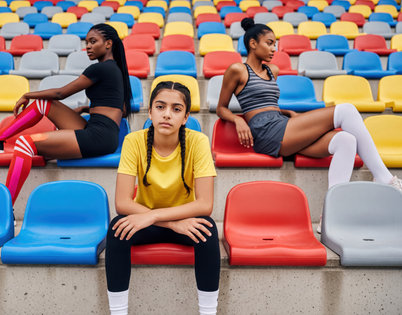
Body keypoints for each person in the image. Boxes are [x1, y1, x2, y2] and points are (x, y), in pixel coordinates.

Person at [216, 18, 402, 232]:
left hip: (281, 124)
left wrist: (284, 112)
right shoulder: (237, 69)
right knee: (347, 110)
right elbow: (222, 107)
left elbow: (266, 102)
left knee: (346, 140)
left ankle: (331, 216)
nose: (273, 48)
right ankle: (383, 177)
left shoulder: (272, 71)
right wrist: (237, 119)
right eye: (269, 43)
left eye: (275, 44)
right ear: (253, 44)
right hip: (265, 132)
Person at [0, 23, 132, 205]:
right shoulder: (116, 70)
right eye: (87, 42)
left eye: (93, 42)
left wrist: (28, 94)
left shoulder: (100, 68)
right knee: (43, 103)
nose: (88, 47)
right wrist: (84, 109)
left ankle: (5, 207)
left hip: (98, 136)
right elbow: (120, 110)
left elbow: (61, 93)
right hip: (102, 132)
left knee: (25, 143)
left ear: (108, 44)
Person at [105, 81, 220, 315]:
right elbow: (122, 203)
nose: (167, 114)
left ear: (186, 116)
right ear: (150, 112)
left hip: (176, 221)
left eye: (176, 109)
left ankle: (209, 312)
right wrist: (170, 224)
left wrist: (157, 217)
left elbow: (205, 204)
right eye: (160, 107)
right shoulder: (133, 141)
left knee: (208, 229)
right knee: (117, 227)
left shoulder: (198, 142)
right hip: (148, 223)